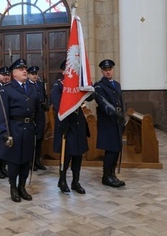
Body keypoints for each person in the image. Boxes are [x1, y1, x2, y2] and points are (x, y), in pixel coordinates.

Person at [0, 58, 42, 203]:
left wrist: (39, 128)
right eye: (21, 69)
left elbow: (39, 111)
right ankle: (13, 188)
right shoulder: (7, 89)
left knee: (26, 160)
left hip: (29, 129)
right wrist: (5, 133)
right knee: (14, 161)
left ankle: (22, 187)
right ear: (13, 73)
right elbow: (2, 113)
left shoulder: (32, 88)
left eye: (25, 68)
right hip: (15, 129)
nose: (25, 71)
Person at [51, 60, 92, 194]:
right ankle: (62, 180)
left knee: (78, 154)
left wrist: (88, 86)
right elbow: (58, 106)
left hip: (78, 123)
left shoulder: (78, 86)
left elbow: (90, 98)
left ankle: (76, 182)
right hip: (66, 124)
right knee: (67, 154)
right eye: (67, 70)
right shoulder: (58, 86)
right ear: (63, 72)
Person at [94, 59, 126, 188]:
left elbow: (120, 101)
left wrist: (122, 117)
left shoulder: (116, 84)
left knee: (117, 149)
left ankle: (112, 175)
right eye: (105, 70)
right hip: (108, 122)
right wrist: (114, 113)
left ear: (113, 70)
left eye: (110, 69)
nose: (108, 72)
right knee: (111, 150)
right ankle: (106, 176)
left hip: (117, 122)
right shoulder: (99, 86)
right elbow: (102, 104)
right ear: (102, 71)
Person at [27, 65, 47, 171]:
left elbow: (44, 96)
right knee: (32, 140)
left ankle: (37, 160)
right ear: (29, 75)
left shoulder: (40, 84)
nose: (35, 76)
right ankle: (31, 161)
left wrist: (46, 104)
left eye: (36, 74)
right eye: (33, 74)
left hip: (40, 115)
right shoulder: (26, 85)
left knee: (40, 138)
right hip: (32, 115)